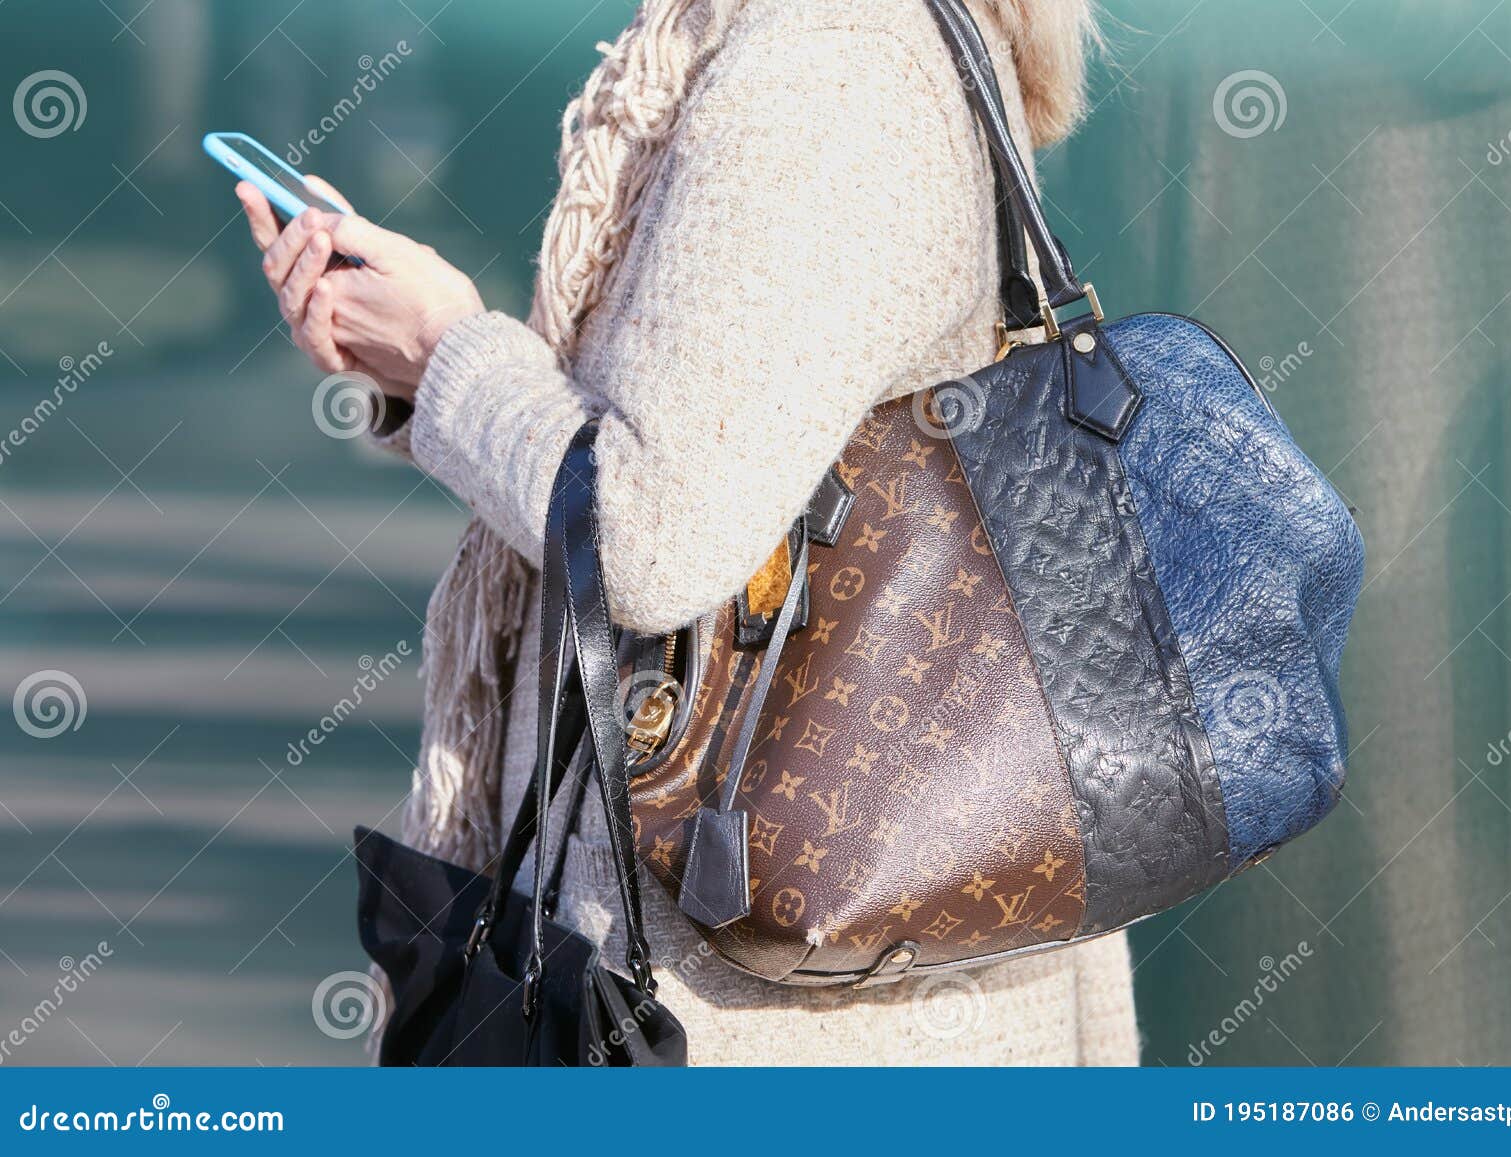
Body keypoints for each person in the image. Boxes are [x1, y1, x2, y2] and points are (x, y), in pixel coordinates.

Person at [236, 0, 1137, 1065]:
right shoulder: (854, 41)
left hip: (744, 1006)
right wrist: (417, 363)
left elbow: (645, 532)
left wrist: (446, 353)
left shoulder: (830, 65)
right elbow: (705, 439)